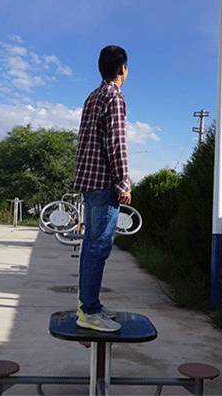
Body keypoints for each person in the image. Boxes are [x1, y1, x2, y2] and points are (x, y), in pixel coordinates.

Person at [73, 45, 131, 332]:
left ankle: (87, 304)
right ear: (122, 69)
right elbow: (117, 144)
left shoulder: (93, 96)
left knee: (90, 246)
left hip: (88, 181)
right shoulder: (114, 97)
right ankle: (90, 311)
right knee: (99, 247)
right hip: (104, 183)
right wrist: (123, 182)